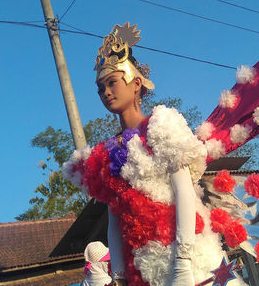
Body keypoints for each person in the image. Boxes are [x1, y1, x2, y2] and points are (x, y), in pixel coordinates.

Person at [63, 23, 245, 286]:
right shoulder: (105, 153)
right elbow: (115, 219)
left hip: (188, 259)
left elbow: (183, 193)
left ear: (136, 83)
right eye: (100, 88)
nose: (106, 93)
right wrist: (119, 275)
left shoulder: (161, 126)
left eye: (112, 82)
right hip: (142, 269)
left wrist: (183, 262)